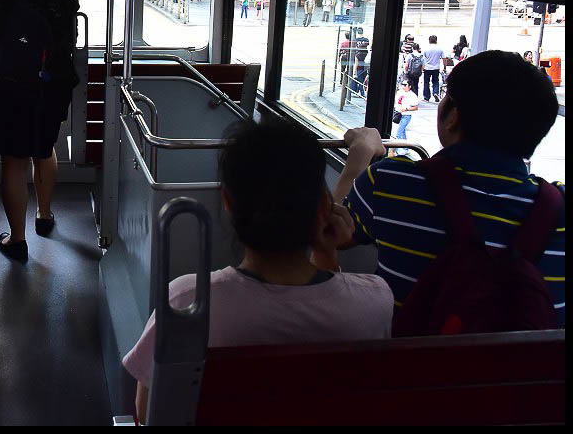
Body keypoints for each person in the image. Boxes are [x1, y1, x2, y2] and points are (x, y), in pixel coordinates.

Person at [124, 119, 393, 423]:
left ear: (227, 202)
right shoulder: (375, 301)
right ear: (322, 207)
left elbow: (149, 414)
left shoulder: (187, 301)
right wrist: (325, 251)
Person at [334, 52, 564, 325]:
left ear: (453, 115)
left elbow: (332, 233)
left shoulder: (394, 183)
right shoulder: (558, 207)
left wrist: (360, 154)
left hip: (409, 362)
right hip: (529, 367)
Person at [0, 0, 80, 261]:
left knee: (14, 159)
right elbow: (67, 47)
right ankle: (45, 216)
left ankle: (17, 240)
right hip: (50, 87)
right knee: (45, 147)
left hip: (8, 86)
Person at [423, 35, 444, 102]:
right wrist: (445, 67)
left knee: (426, 82)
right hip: (436, 68)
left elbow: (423, 58)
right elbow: (444, 58)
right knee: (435, 81)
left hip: (427, 68)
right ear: (436, 40)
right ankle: (435, 92)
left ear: (429, 40)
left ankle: (426, 96)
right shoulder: (439, 49)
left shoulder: (426, 49)